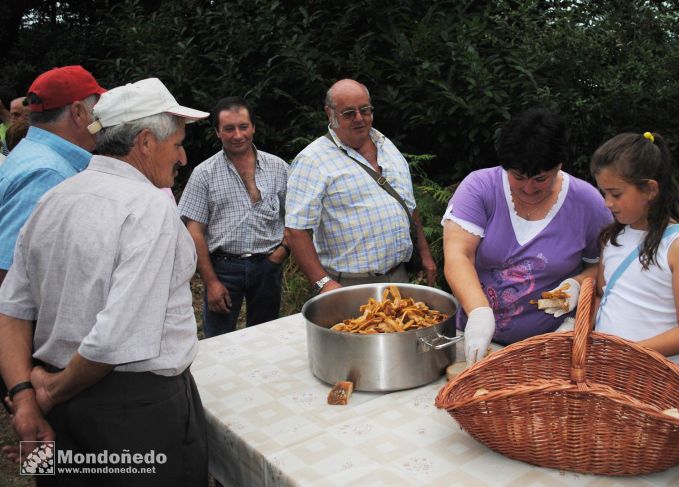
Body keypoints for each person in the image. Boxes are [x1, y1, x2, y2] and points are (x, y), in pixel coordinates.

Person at [0, 77, 210, 486]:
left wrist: (27, 396)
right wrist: (49, 391)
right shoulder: (150, 208)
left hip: (61, 399)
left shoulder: (55, 197)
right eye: (178, 144)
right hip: (133, 410)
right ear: (146, 142)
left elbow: (11, 307)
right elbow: (114, 337)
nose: (183, 157)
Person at [442, 107, 613, 366]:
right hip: (475, 340)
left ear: (559, 165)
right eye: (518, 176)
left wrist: (578, 284)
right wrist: (478, 312)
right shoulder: (480, 188)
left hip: (546, 352)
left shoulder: (588, 204)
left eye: (540, 178)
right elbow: (458, 255)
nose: (528, 188)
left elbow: (602, 266)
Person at [286, 78, 436, 294]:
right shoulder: (312, 160)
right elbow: (295, 230)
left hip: (400, 278)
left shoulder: (386, 144)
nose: (359, 118)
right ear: (330, 113)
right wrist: (322, 283)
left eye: (365, 110)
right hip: (347, 286)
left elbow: (410, 207)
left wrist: (424, 255)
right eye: (349, 113)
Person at [591, 131, 679, 373]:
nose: (607, 203)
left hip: (658, 376)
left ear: (650, 190)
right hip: (608, 370)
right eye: (603, 193)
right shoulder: (611, 238)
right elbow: (603, 296)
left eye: (616, 194)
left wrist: (628, 353)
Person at [179, 97, 289, 337]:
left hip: (268, 264)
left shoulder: (278, 167)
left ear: (253, 127)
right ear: (218, 132)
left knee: (266, 337)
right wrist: (210, 282)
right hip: (223, 268)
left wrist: (281, 253)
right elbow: (194, 230)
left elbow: (296, 217)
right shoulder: (204, 173)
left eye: (243, 127)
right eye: (229, 128)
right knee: (219, 340)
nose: (238, 135)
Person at [0, 65, 105, 288]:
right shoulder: (48, 175)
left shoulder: (34, 155)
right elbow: (8, 274)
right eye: (97, 109)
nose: (102, 118)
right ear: (78, 113)